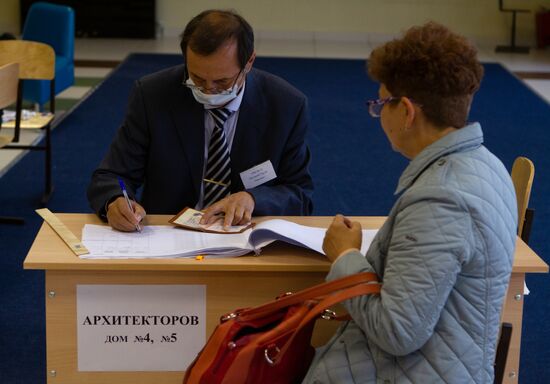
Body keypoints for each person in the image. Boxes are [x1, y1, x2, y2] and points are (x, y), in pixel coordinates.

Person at [302, 22, 517, 384]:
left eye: (380, 103)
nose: (378, 114)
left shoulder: (441, 198)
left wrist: (344, 256)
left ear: (407, 111)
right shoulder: (487, 164)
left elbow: (397, 332)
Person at [87, 9, 313, 231]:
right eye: (196, 77)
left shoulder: (285, 105)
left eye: (222, 81)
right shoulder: (153, 94)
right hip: (168, 233)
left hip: (246, 234)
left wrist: (254, 198)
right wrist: (114, 200)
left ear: (249, 61)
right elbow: (113, 174)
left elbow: (300, 195)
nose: (208, 90)